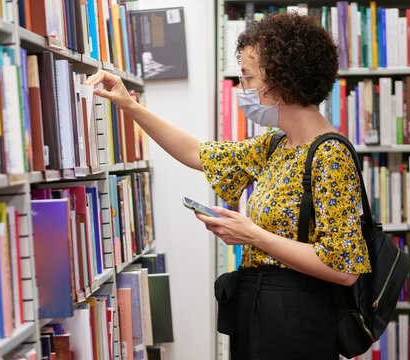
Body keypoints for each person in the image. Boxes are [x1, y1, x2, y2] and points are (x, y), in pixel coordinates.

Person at [85, 12, 371, 359]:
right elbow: (197, 153)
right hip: (260, 310)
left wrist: (251, 235)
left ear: (281, 81)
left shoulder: (329, 155)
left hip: (297, 319)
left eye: (248, 78)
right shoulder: (275, 146)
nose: (242, 89)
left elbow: (344, 269)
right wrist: (129, 105)